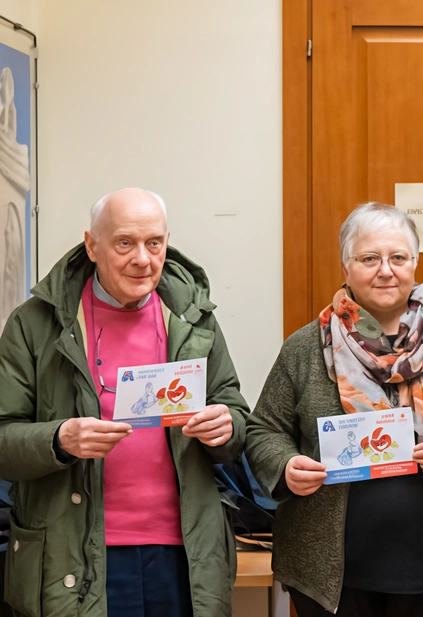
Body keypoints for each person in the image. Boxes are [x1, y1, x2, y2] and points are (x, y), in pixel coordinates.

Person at [0, 188, 249, 617]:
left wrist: (226, 427)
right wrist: (59, 439)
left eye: (155, 243)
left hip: (181, 553)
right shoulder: (35, 323)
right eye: (124, 243)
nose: (143, 258)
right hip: (76, 551)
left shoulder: (193, 318)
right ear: (91, 245)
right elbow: (4, 440)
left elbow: (235, 412)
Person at [246, 203, 423, 617]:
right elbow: (262, 430)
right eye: (369, 258)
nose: (385, 270)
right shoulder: (306, 348)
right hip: (332, 579)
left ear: (415, 264)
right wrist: (286, 466)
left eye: (398, 257)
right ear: (346, 267)